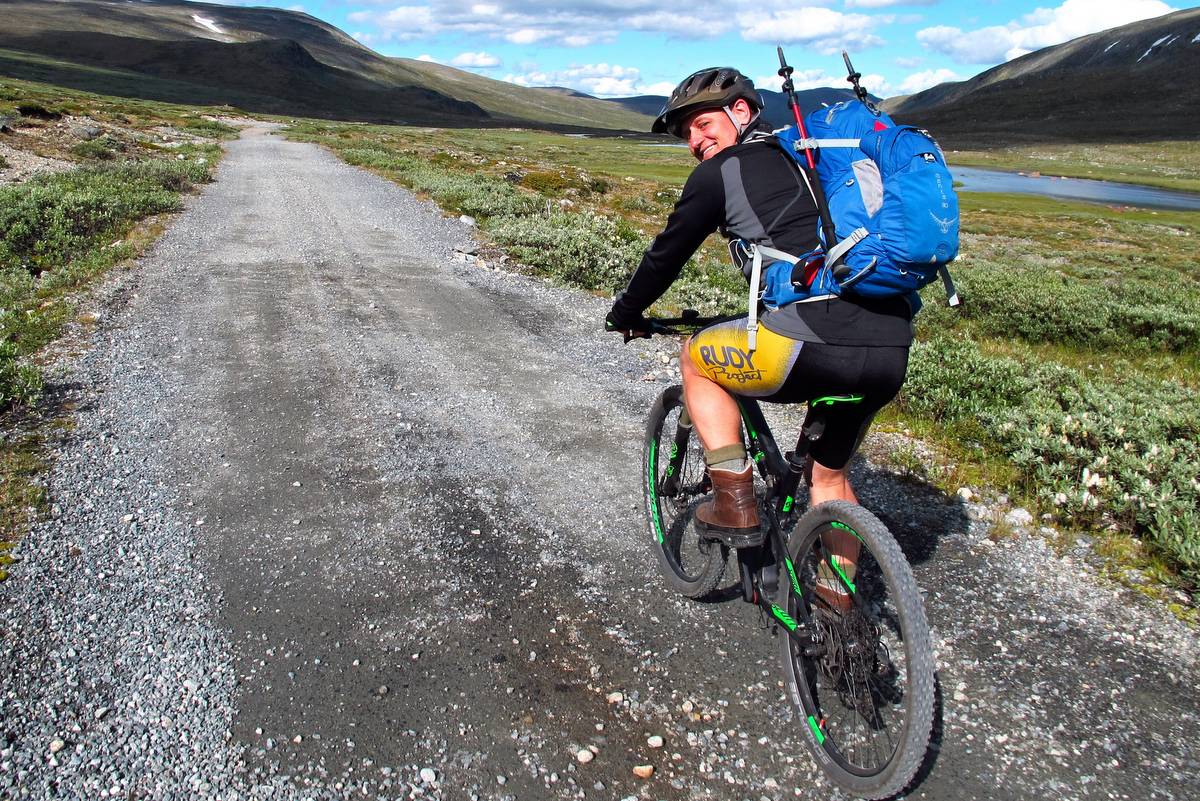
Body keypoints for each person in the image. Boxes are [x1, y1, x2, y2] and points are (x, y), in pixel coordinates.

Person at [605, 67, 915, 605]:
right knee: (830, 479)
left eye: (702, 124)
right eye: (687, 135)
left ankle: (735, 503)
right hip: (889, 348)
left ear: (741, 112)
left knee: (696, 358)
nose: (695, 141)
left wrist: (626, 311)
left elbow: (665, 256)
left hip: (808, 340)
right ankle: (837, 615)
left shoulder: (721, 172)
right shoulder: (813, 161)